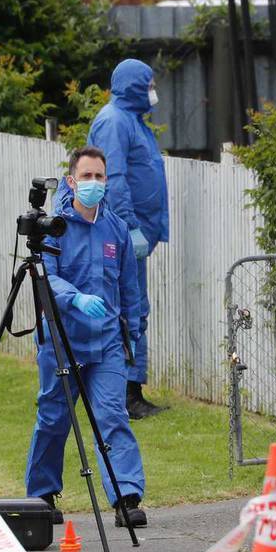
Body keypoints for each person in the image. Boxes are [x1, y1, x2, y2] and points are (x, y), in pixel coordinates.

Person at [25, 147, 148, 527]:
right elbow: (46, 274)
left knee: (111, 415)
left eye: (100, 177)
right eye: (87, 176)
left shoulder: (115, 230)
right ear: (71, 181)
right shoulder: (55, 227)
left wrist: (135, 329)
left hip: (107, 343)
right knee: (54, 417)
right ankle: (42, 497)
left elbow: (130, 286)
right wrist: (75, 298)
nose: (94, 183)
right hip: (62, 341)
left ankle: (125, 497)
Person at [88, 58, 169, 420]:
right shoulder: (115, 121)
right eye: (149, 83)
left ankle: (129, 390)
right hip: (121, 234)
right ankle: (125, 394)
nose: (153, 90)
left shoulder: (131, 120)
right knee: (127, 311)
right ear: (134, 85)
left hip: (132, 233)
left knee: (133, 310)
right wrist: (129, 226)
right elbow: (115, 179)